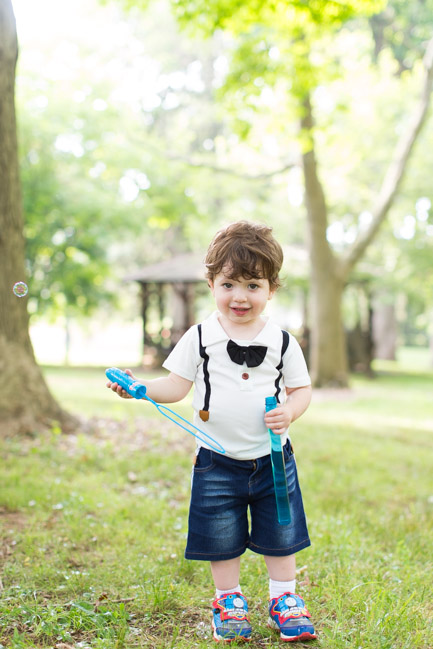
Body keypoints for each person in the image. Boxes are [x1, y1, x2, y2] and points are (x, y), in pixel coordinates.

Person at [107, 221, 316, 643]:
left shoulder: (282, 341)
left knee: (282, 532)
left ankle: (285, 599)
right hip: (216, 462)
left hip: (273, 458)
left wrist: (290, 411)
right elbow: (176, 387)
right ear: (211, 284)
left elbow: (301, 389)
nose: (240, 296)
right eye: (229, 284)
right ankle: (229, 600)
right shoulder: (199, 337)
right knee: (220, 535)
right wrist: (141, 389)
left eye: (253, 285)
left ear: (271, 289)